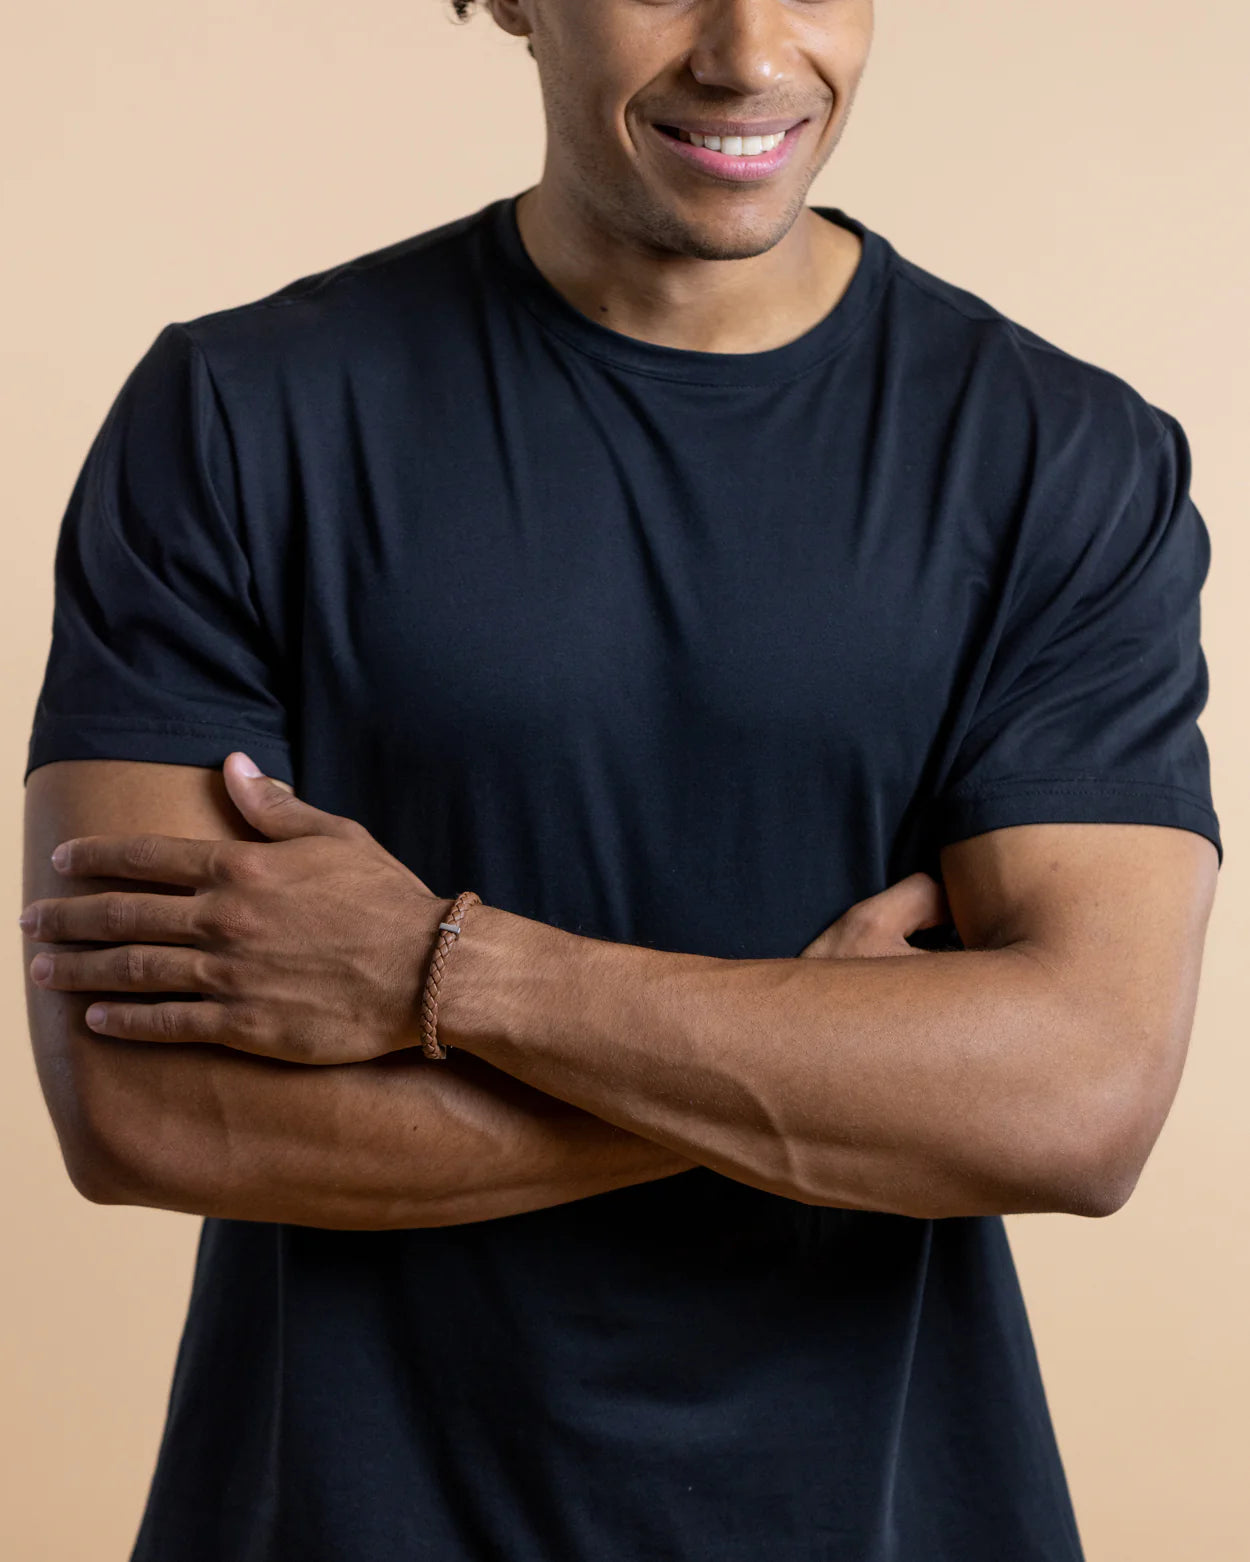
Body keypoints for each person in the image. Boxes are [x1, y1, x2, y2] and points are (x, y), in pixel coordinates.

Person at [20, 0, 1221, 1558]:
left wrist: (443, 969)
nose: (747, 52)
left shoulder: (1065, 462)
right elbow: (148, 1111)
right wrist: (825, 1055)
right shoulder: (237, 417)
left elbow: (1075, 1102)